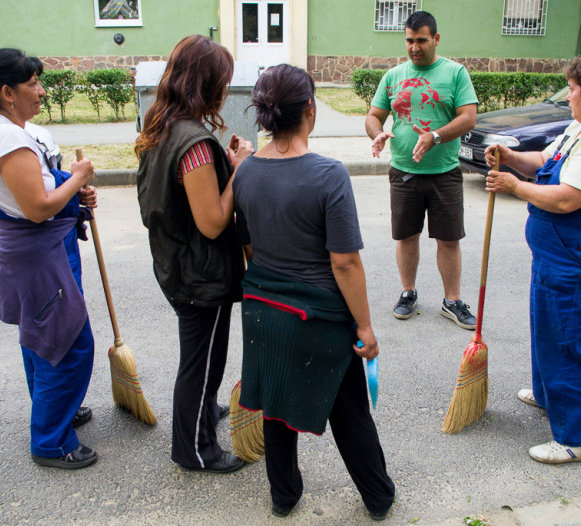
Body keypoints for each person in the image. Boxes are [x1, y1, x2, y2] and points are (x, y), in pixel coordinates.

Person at [233, 64, 396, 520]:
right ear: (309, 109)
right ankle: (378, 497)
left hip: (263, 307)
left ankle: (283, 496)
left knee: (275, 404)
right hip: (320, 316)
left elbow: (247, 243)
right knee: (349, 412)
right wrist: (365, 326)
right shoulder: (328, 175)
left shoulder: (244, 172)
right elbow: (344, 262)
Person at [484, 52, 581, 464]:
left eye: (571, 90)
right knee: (548, 328)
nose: (567, 97)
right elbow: (544, 163)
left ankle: (574, 440)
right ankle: (547, 394)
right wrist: (510, 156)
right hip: (557, 253)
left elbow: (569, 197)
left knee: (569, 339)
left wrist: (513, 186)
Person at [0, 48, 99, 469]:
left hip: (32, 253)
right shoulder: (6, 137)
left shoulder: (6, 130)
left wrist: (73, 193)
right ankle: (51, 440)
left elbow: (38, 188)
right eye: (33, 84)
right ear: (7, 92)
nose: (41, 91)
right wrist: (76, 179)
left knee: (42, 338)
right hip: (36, 257)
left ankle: (57, 407)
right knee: (69, 343)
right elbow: (38, 206)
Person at [135, 35, 252, 474]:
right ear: (205, 83)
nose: (225, 90)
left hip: (176, 263)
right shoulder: (194, 142)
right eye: (222, 81)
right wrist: (238, 170)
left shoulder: (161, 123)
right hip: (200, 274)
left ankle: (205, 410)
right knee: (201, 361)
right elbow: (213, 222)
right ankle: (195, 449)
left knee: (203, 357)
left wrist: (223, 164)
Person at [365, 10, 478, 329]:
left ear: (436, 39)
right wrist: (378, 134)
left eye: (421, 40)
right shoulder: (394, 76)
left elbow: (468, 118)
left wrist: (436, 136)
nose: (414, 47)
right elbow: (373, 115)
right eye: (409, 41)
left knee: (449, 239)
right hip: (403, 172)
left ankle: (452, 300)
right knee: (406, 236)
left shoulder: (455, 73)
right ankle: (407, 293)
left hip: (444, 172)